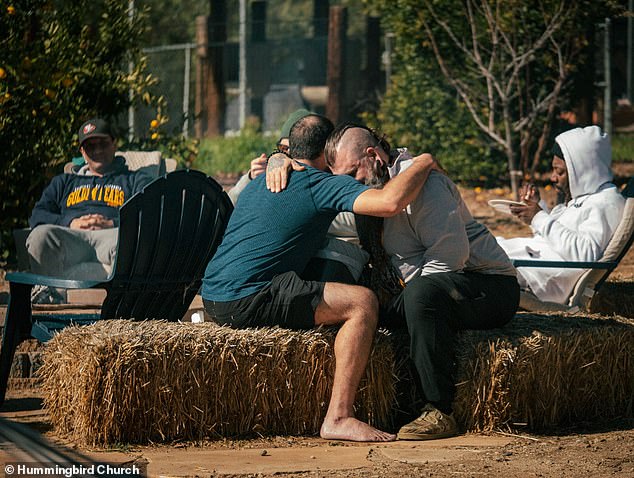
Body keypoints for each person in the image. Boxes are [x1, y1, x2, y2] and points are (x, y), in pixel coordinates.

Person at [201, 114, 439, 443]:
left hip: (212, 294)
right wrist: (424, 160)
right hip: (247, 297)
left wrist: (277, 157)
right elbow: (391, 202)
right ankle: (338, 417)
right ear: (328, 151)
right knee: (362, 303)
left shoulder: (264, 181)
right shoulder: (320, 183)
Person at [324, 123, 520, 441]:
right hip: (427, 285)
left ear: (373, 156)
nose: (349, 186)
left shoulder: (427, 185)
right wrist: (280, 159)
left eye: (351, 175)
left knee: (422, 297)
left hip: (486, 283)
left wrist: (406, 301)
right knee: (363, 302)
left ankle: (439, 411)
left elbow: (450, 256)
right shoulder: (369, 192)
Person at [229, 109, 369, 284]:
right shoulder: (276, 174)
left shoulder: (336, 177)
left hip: (333, 264)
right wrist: (250, 178)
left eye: (295, 147)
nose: (293, 154)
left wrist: (300, 213)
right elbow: (229, 206)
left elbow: (358, 222)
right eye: (283, 149)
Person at [497, 125, 626, 304]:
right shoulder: (586, 197)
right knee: (476, 244)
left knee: (472, 253)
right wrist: (536, 207)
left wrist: (538, 217)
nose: (553, 177)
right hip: (535, 264)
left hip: (543, 278)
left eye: (560, 172)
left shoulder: (606, 203)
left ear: (582, 170)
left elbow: (584, 256)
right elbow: (555, 240)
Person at [26, 118, 152, 290]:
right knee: (40, 235)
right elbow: (38, 215)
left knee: (133, 239)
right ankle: (51, 297)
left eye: (103, 143)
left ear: (114, 144)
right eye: (91, 146)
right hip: (72, 239)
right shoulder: (63, 182)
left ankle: (122, 304)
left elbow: (153, 212)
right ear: (83, 152)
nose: (98, 150)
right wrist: (70, 222)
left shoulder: (135, 179)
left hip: (114, 236)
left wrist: (113, 222)